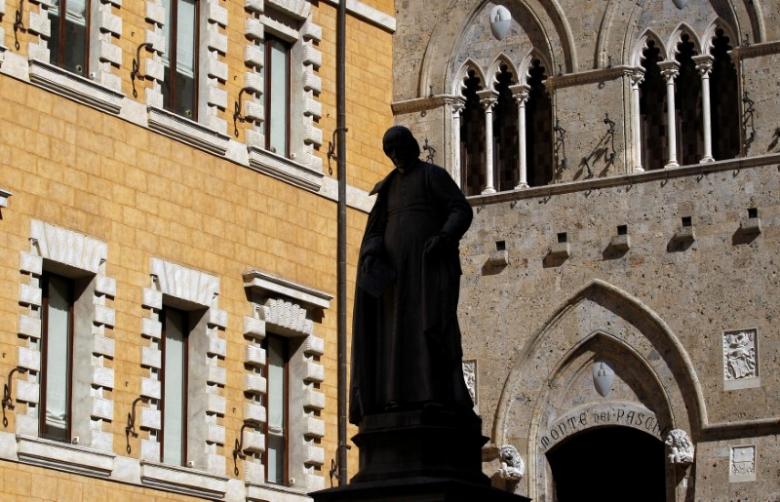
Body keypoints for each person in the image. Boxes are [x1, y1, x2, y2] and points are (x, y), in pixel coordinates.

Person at [349, 126, 474, 425]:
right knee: (394, 335)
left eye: (398, 148)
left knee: (430, 328)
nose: (395, 155)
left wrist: (444, 236)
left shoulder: (434, 176)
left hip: (427, 270)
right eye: (389, 151)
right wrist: (371, 253)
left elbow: (461, 210)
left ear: (412, 146)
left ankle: (435, 395)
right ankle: (396, 397)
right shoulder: (388, 187)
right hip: (395, 279)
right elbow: (376, 229)